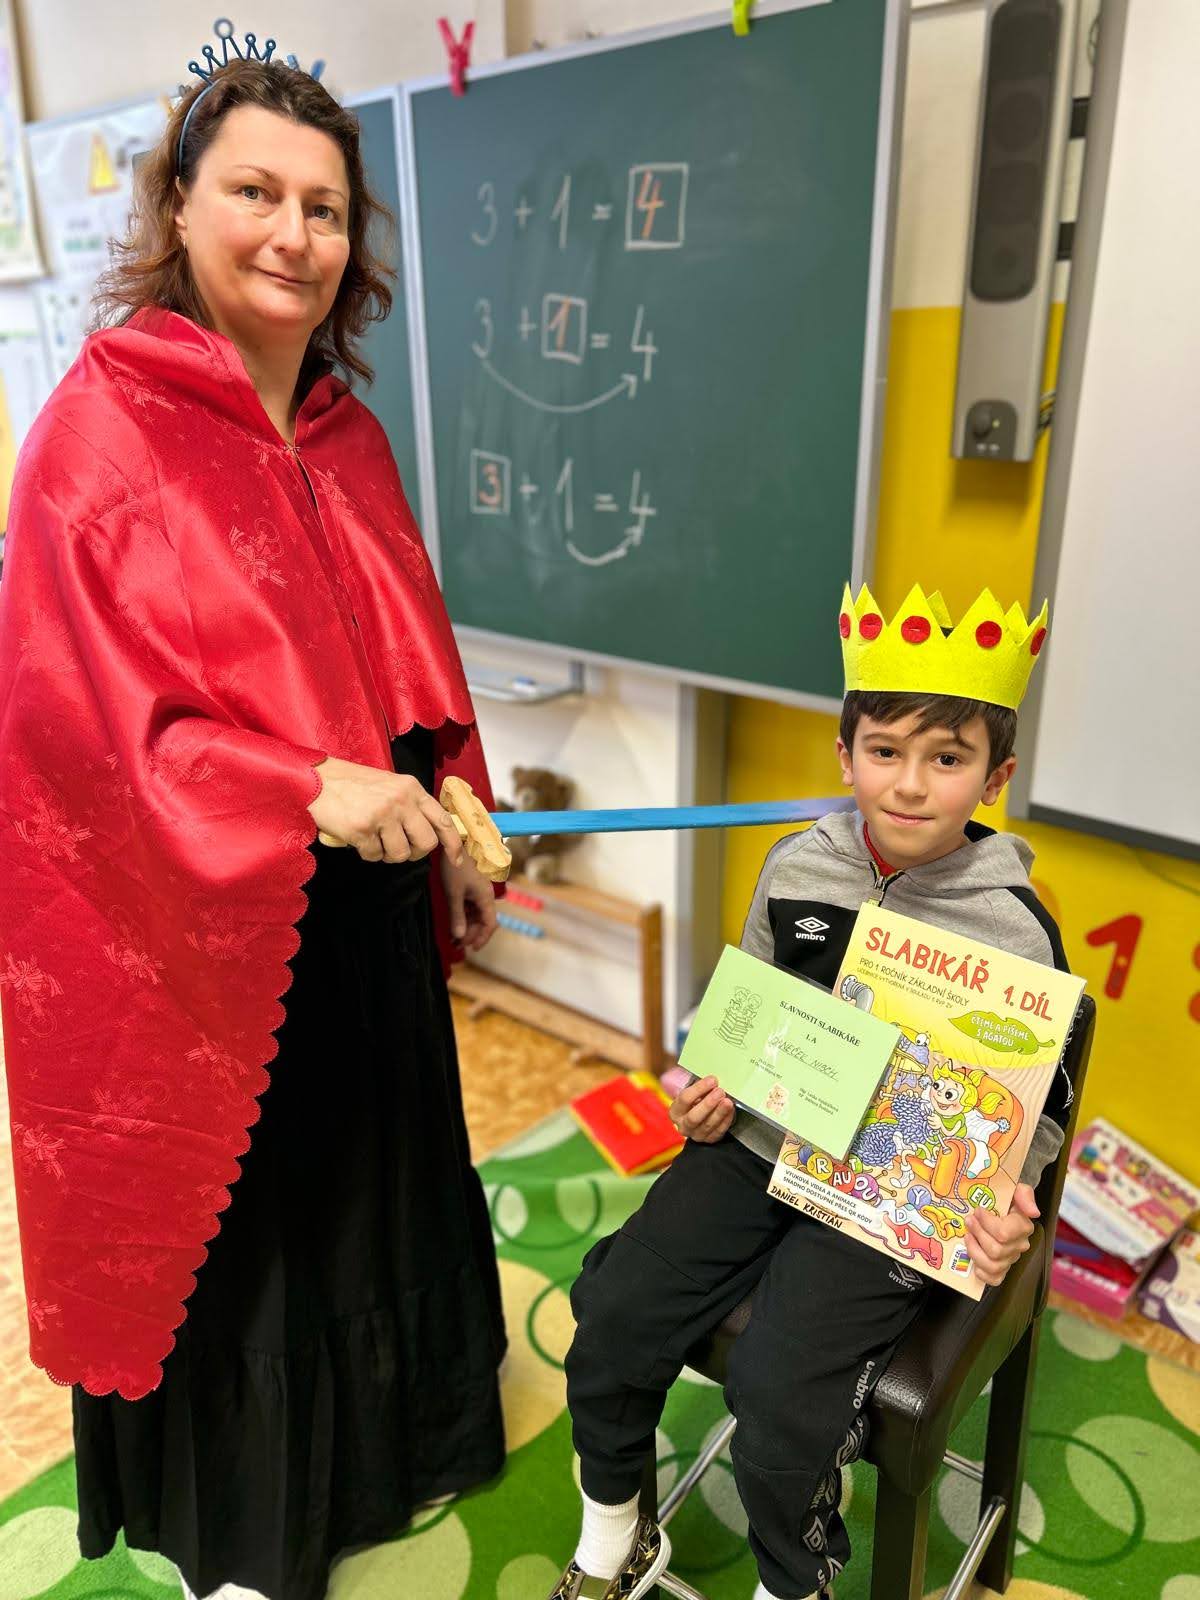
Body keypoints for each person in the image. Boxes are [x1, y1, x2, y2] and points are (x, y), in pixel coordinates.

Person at [0, 44, 507, 1600]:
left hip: (369, 920)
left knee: (378, 1192)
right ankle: (247, 1528)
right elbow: (80, 741)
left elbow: (404, 663)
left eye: (326, 207)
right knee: (258, 1226)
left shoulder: (348, 431)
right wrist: (300, 787)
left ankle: (397, 1452)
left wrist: (455, 792)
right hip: (206, 934)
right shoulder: (100, 431)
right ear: (180, 204)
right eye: (256, 194)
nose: (295, 234)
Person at [550, 583, 1073, 1600]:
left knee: (781, 1390)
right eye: (884, 750)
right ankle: (616, 1525)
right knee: (613, 1306)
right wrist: (703, 1093)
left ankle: (793, 1583)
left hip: (886, 1198)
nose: (909, 784)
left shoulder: (1017, 929)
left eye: (948, 759)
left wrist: (1009, 1200)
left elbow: (1035, 1113)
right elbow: (742, 1021)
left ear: (996, 776)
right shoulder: (796, 866)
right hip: (756, 1145)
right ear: (845, 756)